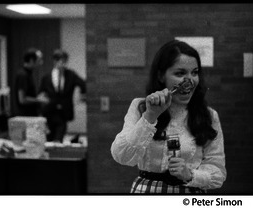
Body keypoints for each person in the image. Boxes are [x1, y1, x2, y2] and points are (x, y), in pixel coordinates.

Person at [111, 40, 226, 193]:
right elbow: (122, 156)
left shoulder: (209, 115)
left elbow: (218, 172)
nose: (189, 80)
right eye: (180, 73)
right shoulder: (140, 107)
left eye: (195, 72)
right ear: (160, 76)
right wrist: (150, 115)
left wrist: (190, 174)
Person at [38, 49, 86, 142]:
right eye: (61, 61)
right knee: (48, 139)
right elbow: (41, 93)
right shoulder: (46, 77)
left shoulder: (70, 74)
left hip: (63, 113)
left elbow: (83, 84)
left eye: (65, 61)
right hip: (49, 112)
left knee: (58, 139)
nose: (64, 64)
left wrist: (82, 96)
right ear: (55, 61)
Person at [15, 48, 47, 116]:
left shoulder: (28, 74)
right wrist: (39, 100)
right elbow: (22, 99)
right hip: (26, 116)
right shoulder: (23, 75)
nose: (41, 63)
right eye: (39, 60)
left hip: (31, 115)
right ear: (31, 60)